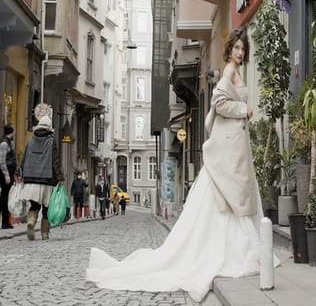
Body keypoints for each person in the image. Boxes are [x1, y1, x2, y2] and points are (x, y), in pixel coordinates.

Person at [86, 28, 278, 302]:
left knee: (232, 192)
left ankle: (234, 246)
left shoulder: (235, 70)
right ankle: (229, 251)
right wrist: (243, 110)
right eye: (236, 47)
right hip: (229, 144)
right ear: (229, 50)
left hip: (234, 143)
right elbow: (219, 102)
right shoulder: (228, 72)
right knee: (229, 191)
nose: (240, 52)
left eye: (242, 48)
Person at [19, 116, 64, 240]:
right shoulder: (51, 140)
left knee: (34, 206)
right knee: (46, 208)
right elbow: (55, 160)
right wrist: (59, 177)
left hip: (31, 179)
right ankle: (44, 234)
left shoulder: (31, 139)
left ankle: (31, 222)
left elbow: (25, 157)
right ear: (49, 127)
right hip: (47, 180)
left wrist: (20, 172)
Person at [0, 125, 16, 229]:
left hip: (9, 175)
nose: (14, 134)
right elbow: (2, 161)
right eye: (13, 132)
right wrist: (6, 175)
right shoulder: (4, 143)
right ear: (11, 132)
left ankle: (6, 222)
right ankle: (5, 222)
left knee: (5, 197)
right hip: (4, 175)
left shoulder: (7, 142)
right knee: (4, 198)